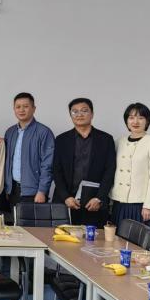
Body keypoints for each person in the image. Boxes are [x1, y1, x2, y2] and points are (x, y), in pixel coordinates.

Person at [53, 98, 116, 228]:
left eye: (84, 111)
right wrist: (66, 197)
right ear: (70, 115)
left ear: (92, 114)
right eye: (75, 111)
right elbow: (56, 170)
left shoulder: (106, 139)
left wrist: (99, 198)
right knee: (63, 239)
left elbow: (110, 171)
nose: (79, 114)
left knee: (94, 239)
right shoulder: (61, 140)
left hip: (94, 203)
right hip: (66, 202)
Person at [110, 102, 150, 254]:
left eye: (140, 118)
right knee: (118, 248)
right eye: (131, 117)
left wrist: (149, 205)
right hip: (119, 204)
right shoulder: (119, 142)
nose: (135, 121)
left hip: (140, 206)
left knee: (142, 251)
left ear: (147, 121)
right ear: (126, 121)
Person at [4, 92, 55, 224]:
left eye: (26, 106)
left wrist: (42, 191)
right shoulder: (10, 132)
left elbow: (48, 165)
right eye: (18, 107)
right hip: (13, 190)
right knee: (14, 228)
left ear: (34, 108)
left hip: (34, 191)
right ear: (14, 109)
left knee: (32, 230)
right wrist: (7, 188)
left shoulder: (44, 132)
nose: (21, 110)